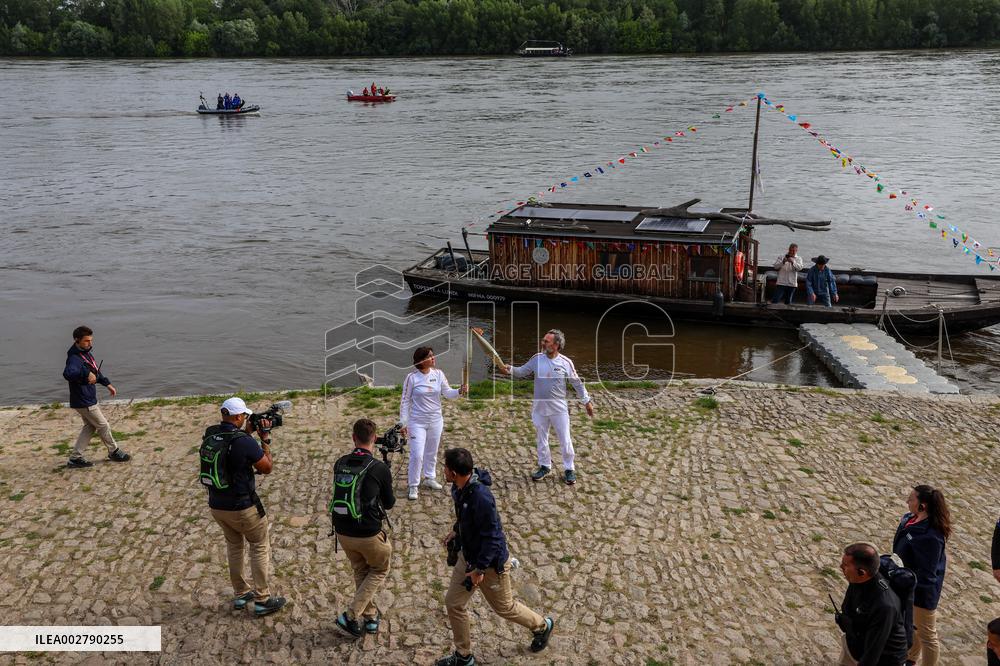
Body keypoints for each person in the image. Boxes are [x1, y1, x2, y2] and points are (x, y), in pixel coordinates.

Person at [436, 448, 554, 666]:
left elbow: (493, 538)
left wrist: (479, 570)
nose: (442, 470)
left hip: (489, 565)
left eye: (444, 467)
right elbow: (466, 517)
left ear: (453, 472)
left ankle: (542, 625)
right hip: (468, 558)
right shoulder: (459, 487)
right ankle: (464, 656)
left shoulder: (481, 497)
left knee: (505, 608)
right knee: (454, 603)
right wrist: (457, 529)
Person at [205, 397, 285, 616]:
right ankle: (262, 599)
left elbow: (231, 451)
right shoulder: (244, 441)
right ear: (239, 417)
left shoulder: (211, 433)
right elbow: (266, 468)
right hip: (243, 508)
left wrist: (246, 433)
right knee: (259, 546)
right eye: (245, 416)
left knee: (234, 547)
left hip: (217, 506)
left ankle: (241, 594)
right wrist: (265, 439)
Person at [501, 329, 593, 485]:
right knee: (541, 438)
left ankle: (569, 468)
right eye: (543, 340)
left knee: (565, 439)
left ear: (556, 345)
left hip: (559, 409)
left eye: (546, 341)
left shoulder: (566, 362)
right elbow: (522, 371)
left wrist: (587, 401)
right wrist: (509, 369)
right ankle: (544, 466)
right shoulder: (537, 359)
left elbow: (576, 383)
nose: (542, 343)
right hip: (540, 408)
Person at [331, 418, 396, 637]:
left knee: (361, 571)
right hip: (368, 533)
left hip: (342, 531)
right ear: (375, 439)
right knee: (379, 569)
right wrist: (386, 474)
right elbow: (389, 504)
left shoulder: (340, 462)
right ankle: (350, 616)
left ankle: (370, 617)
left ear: (353, 438)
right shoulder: (378, 468)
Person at [893, 485, 950, 666]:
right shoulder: (910, 519)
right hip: (907, 585)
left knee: (927, 635)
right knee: (913, 627)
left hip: (920, 593)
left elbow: (927, 573)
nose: (907, 502)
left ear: (922, 506)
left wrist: (911, 589)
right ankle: (910, 659)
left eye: (911, 499)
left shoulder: (931, 536)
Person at [399, 347, 466, 500]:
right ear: (421, 360)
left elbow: (448, 393)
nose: (434, 358)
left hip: (436, 420)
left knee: (431, 452)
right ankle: (413, 485)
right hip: (417, 422)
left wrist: (459, 391)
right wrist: (403, 422)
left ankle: (429, 477)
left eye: (433, 355)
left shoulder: (438, 374)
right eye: (430, 356)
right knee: (417, 454)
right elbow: (405, 401)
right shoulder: (412, 378)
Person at [62, 325, 131, 468]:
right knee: (103, 425)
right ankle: (114, 452)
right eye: (87, 341)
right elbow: (68, 374)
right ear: (77, 340)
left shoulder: (85, 353)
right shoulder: (74, 358)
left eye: (91, 340)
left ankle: (75, 458)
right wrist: (86, 374)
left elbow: (95, 371)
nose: (90, 343)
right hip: (84, 400)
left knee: (90, 427)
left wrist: (107, 384)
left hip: (85, 399)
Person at [835, 542, 909, 666]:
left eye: (846, 565)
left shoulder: (884, 606)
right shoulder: (856, 580)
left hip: (884, 659)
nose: (841, 567)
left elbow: (873, 650)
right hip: (856, 645)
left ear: (862, 572)